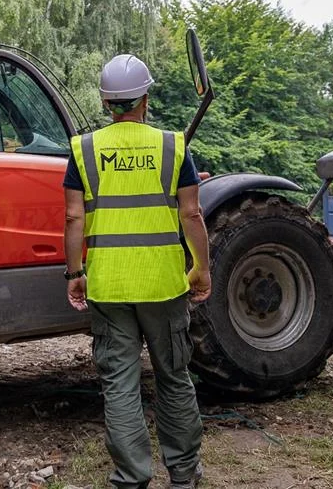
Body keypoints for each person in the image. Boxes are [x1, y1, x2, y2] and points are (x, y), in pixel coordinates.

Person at [62, 54, 212, 489]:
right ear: (145, 98)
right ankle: (183, 475)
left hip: (109, 287)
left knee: (120, 384)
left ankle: (131, 477)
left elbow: (73, 218)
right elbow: (191, 213)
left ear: (106, 102)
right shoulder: (172, 146)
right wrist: (202, 267)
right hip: (163, 285)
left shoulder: (84, 149)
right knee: (174, 377)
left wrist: (74, 273)